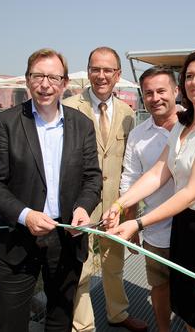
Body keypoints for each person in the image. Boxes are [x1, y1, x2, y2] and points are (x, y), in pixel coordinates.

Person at [104, 48, 195, 332]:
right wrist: (120, 205)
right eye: (190, 75)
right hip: (186, 225)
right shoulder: (183, 125)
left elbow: (192, 191)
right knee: (190, 311)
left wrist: (138, 222)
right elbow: (158, 172)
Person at [0, 48, 102, 331]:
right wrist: (24, 215)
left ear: (64, 83)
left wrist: (83, 208)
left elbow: (93, 178)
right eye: (38, 76)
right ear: (27, 80)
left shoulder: (81, 125)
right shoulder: (7, 123)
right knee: (11, 323)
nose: (45, 84)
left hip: (66, 237)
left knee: (60, 319)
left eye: (53, 77)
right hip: (18, 239)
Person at [62, 47, 146, 332]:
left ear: (117, 75)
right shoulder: (69, 107)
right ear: (88, 72)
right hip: (80, 202)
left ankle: (118, 314)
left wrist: (130, 208)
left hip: (115, 203)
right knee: (81, 267)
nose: (101, 75)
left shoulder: (127, 113)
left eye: (107, 70)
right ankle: (82, 326)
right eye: (95, 69)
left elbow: (132, 165)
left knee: (114, 262)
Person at [120, 66, 179, 332]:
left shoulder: (193, 126)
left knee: (193, 290)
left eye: (161, 91)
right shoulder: (138, 135)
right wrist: (130, 221)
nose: (155, 98)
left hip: (193, 227)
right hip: (153, 229)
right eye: (148, 93)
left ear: (176, 91)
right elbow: (129, 180)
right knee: (158, 285)